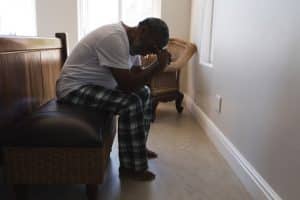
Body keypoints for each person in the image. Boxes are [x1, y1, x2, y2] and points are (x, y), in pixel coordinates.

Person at [56, 17, 171, 181]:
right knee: (130, 104)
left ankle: (138, 147)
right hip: (74, 88)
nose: (151, 53)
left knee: (144, 92)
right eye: (153, 46)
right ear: (143, 31)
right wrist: (156, 67)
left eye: (157, 50)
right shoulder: (113, 38)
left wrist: (155, 69)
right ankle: (130, 168)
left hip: (95, 86)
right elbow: (127, 86)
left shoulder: (134, 47)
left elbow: (138, 79)